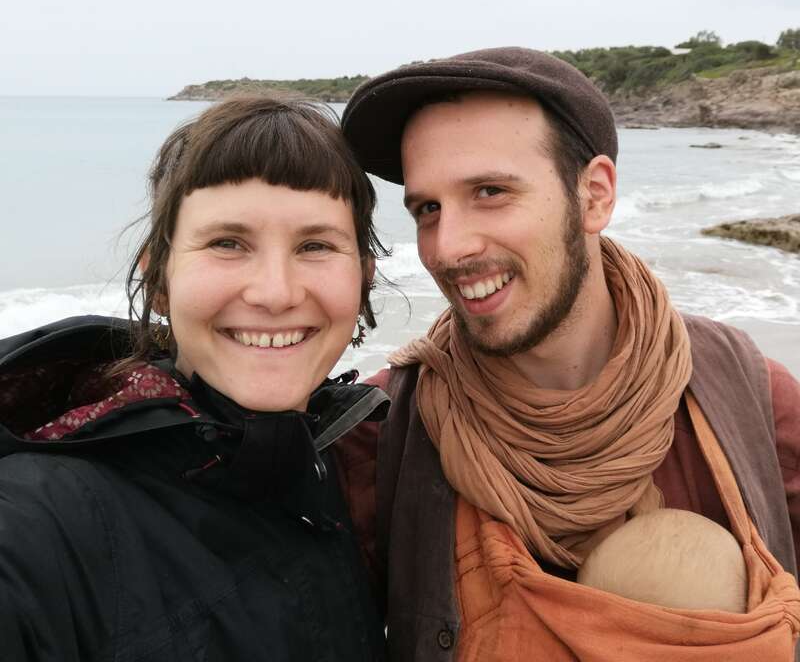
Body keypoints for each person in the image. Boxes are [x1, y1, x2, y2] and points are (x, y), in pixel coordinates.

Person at [340, 48, 800, 660]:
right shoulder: (382, 434)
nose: (447, 248)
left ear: (594, 195)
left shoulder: (753, 399)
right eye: (428, 209)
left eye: (490, 191)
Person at [0, 96, 389, 661]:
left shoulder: (352, 460)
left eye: (315, 245)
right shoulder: (47, 519)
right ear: (159, 277)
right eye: (228, 243)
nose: (275, 292)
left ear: (364, 277)